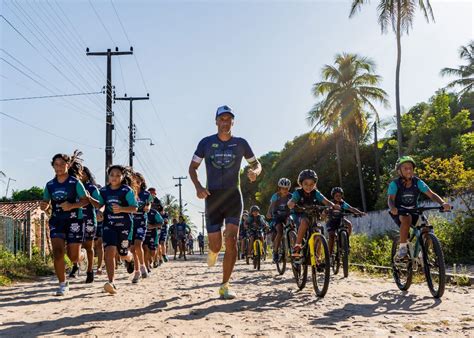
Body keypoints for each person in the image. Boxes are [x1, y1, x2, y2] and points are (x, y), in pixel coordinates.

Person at [189, 105, 262, 299]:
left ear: (233, 122)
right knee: (215, 244)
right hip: (212, 198)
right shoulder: (206, 143)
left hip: (232, 196)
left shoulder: (241, 143)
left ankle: (225, 285)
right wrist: (198, 187)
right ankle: (213, 252)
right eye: (222, 119)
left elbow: (256, 163)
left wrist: (255, 172)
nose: (225, 122)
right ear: (216, 121)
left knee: (232, 240)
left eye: (228, 119)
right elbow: (192, 168)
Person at [40, 150, 90, 296]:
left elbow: (85, 200)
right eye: (56, 164)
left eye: (62, 164)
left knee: (72, 257)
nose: (59, 167)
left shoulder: (75, 182)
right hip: (57, 220)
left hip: (75, 220)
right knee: (57, 252)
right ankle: (63, 283)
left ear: (68, 165)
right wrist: (45, 206)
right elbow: (46, 202)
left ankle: (82, 255)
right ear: (53, 167)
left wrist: (72, 206)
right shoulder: (50, 185)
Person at [388, 156, 451, 260]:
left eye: (410, 168)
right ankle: (403, 248)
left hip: (414, 211)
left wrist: (443, 203)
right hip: (399, 212)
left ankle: (423, 254)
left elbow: (431, 194)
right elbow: (390, 199)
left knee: (427, 228)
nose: (408, 170)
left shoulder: (418, 182)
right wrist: (392, 207)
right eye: (405, 168)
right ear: (399, 171)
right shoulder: (394, 184)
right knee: (406, 218)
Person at [96, 165, 138, 294]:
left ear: (122, 177)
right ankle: (111, 282)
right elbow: (102, 205)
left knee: (123, 253)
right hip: (109, 225)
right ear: (108, 176)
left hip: (124, 225)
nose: (114, 177)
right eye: (112, 175)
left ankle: (130, 259)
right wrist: (100, 212)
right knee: (109, 250)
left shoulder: (126, 190)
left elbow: (134, 208)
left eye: (117, 175)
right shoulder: (103, 191)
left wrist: (121, 209)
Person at [287, 169, 339, 258]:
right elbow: (291, 202)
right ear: (301, 184)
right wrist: (291, 204)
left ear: (315, 184)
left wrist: (333, 205)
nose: (309, 186)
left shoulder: (316, 193)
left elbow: (326, 201)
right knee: (305, 222)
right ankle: (297, 246)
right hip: (299, 215)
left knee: (318, 234)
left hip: (313, 215)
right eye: (306, 184)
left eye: (311, 184)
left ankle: (317, 258)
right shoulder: (298, 193)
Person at [325, 187, 364, 259]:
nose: (338, 197)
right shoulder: (331, 203)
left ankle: (345, 242)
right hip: (331, 221)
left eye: (340, 196)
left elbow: (351, 208)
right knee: (331, 235)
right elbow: (326, 210)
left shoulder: (343, 203)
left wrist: (360, 212)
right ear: (333, 196)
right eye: (336, 196)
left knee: (349, 224)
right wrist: (326, 211)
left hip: (340, 219)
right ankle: (329, 255)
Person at [77, 166, 101, 283]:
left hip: (89, 220)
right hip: (75, 219)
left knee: (88, 246)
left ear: (87, 174)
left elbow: (99, 205)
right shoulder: (73, 185)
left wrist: (89, 198)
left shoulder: (92, 188)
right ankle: (78, 262)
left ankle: (90, 271)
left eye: (83, 173)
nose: (80, 175)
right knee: (73, 245)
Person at [130, 172, 153, 283]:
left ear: (142, 182)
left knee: (138, 244)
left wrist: (147, 207)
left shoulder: (146, 194)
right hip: (129, 223)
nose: (136, 183)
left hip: (141, 223)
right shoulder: (129, 193)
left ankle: (143, 266)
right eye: (134, 181)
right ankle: (137, 271)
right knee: (132, 249)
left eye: (138, 181)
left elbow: (149, 204)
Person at [266, 178, 292, 263]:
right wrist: (269, 213)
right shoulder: (276, 196)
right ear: (279, 188)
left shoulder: (291, 196)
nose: (284, 190)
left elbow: (296, 204)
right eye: (282, 188)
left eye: (286, 188)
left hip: (287, 216)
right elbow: (271, 206)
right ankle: (275, 252)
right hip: (277, 216)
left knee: (293, 228)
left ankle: (293, 249)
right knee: (280, 231)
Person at [144, 200, 164, 272]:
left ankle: (151, 260)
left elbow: (161, 222)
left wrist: (153, 226)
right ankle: (147, 266)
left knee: (152, 252)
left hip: (153, 234)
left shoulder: (154, 212)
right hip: (143, 235)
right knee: (145, 250)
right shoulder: (139, 211)